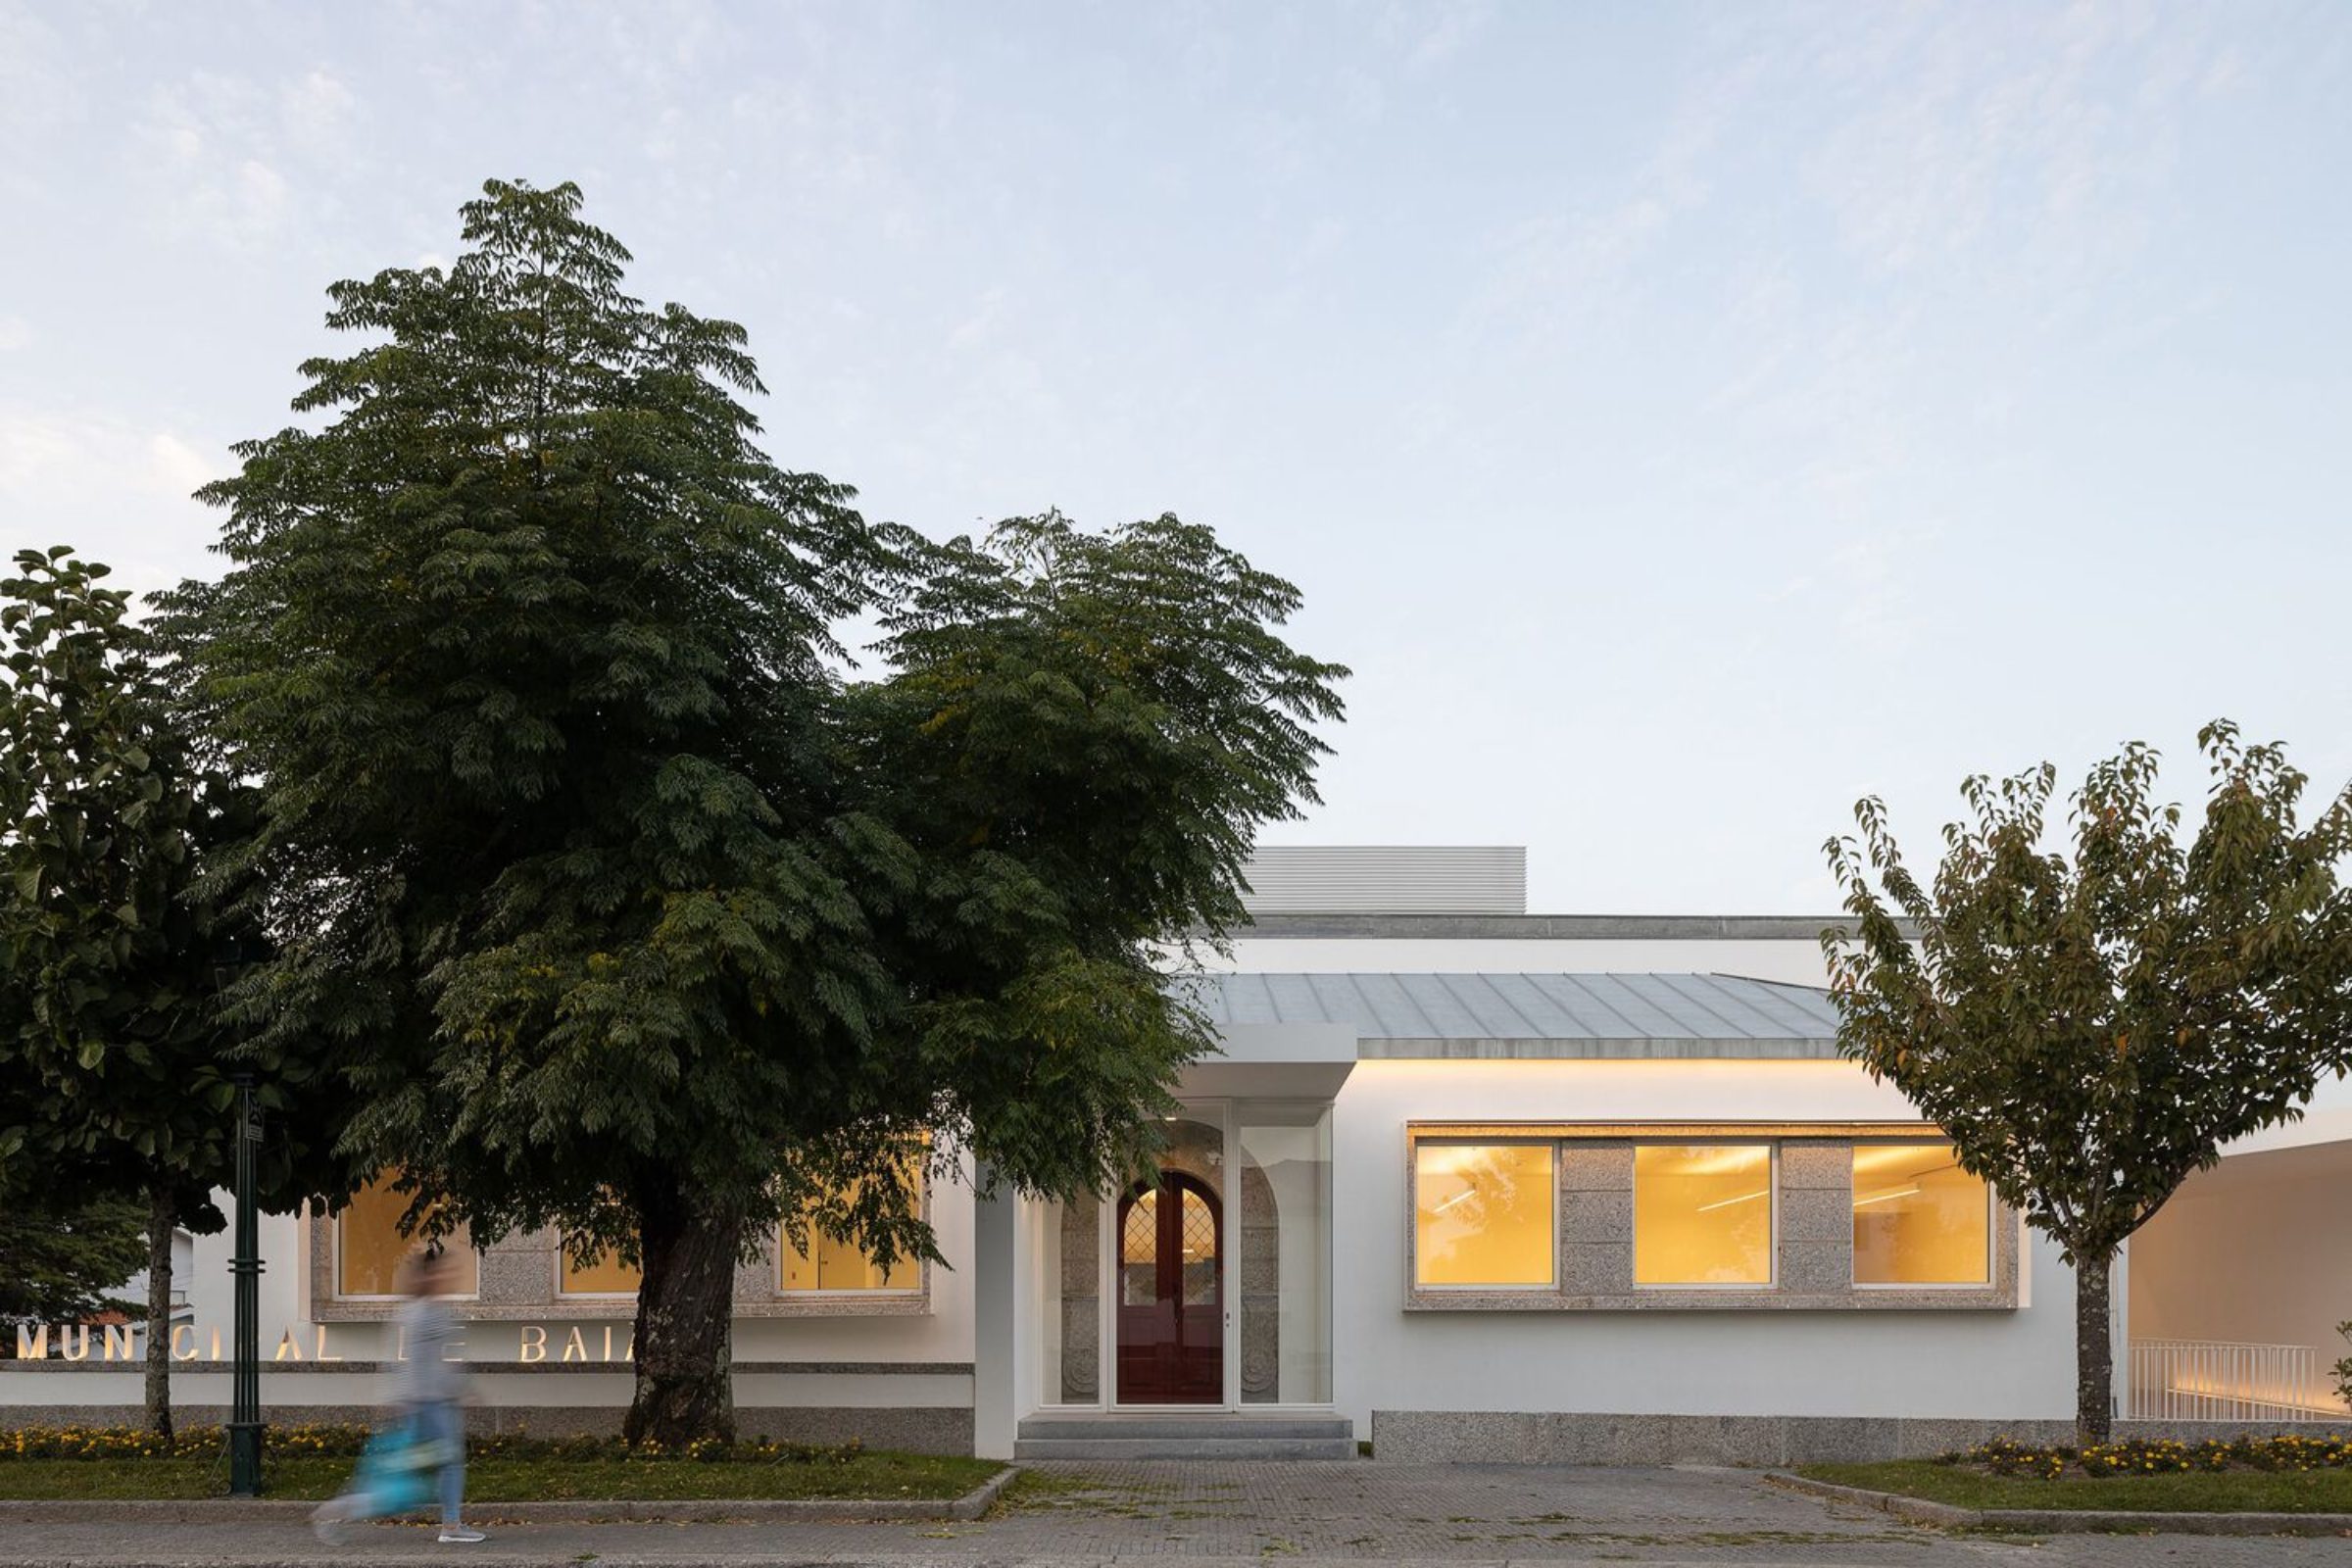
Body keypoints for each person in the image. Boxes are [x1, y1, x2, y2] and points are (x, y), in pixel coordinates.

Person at [313, 1249, 485, 1544]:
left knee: (430, 1468)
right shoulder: (421, 1312)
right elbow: (410, 1360)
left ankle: (450, 1524)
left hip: (432, 1402)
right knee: (426, 1470)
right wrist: (409, 1400)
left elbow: (434, 1360)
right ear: (429, 1275)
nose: (450, 1276)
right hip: (427, 1404)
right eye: (444, 1271)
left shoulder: (429, 1310)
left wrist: (459, 1389)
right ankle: (449, 1526)